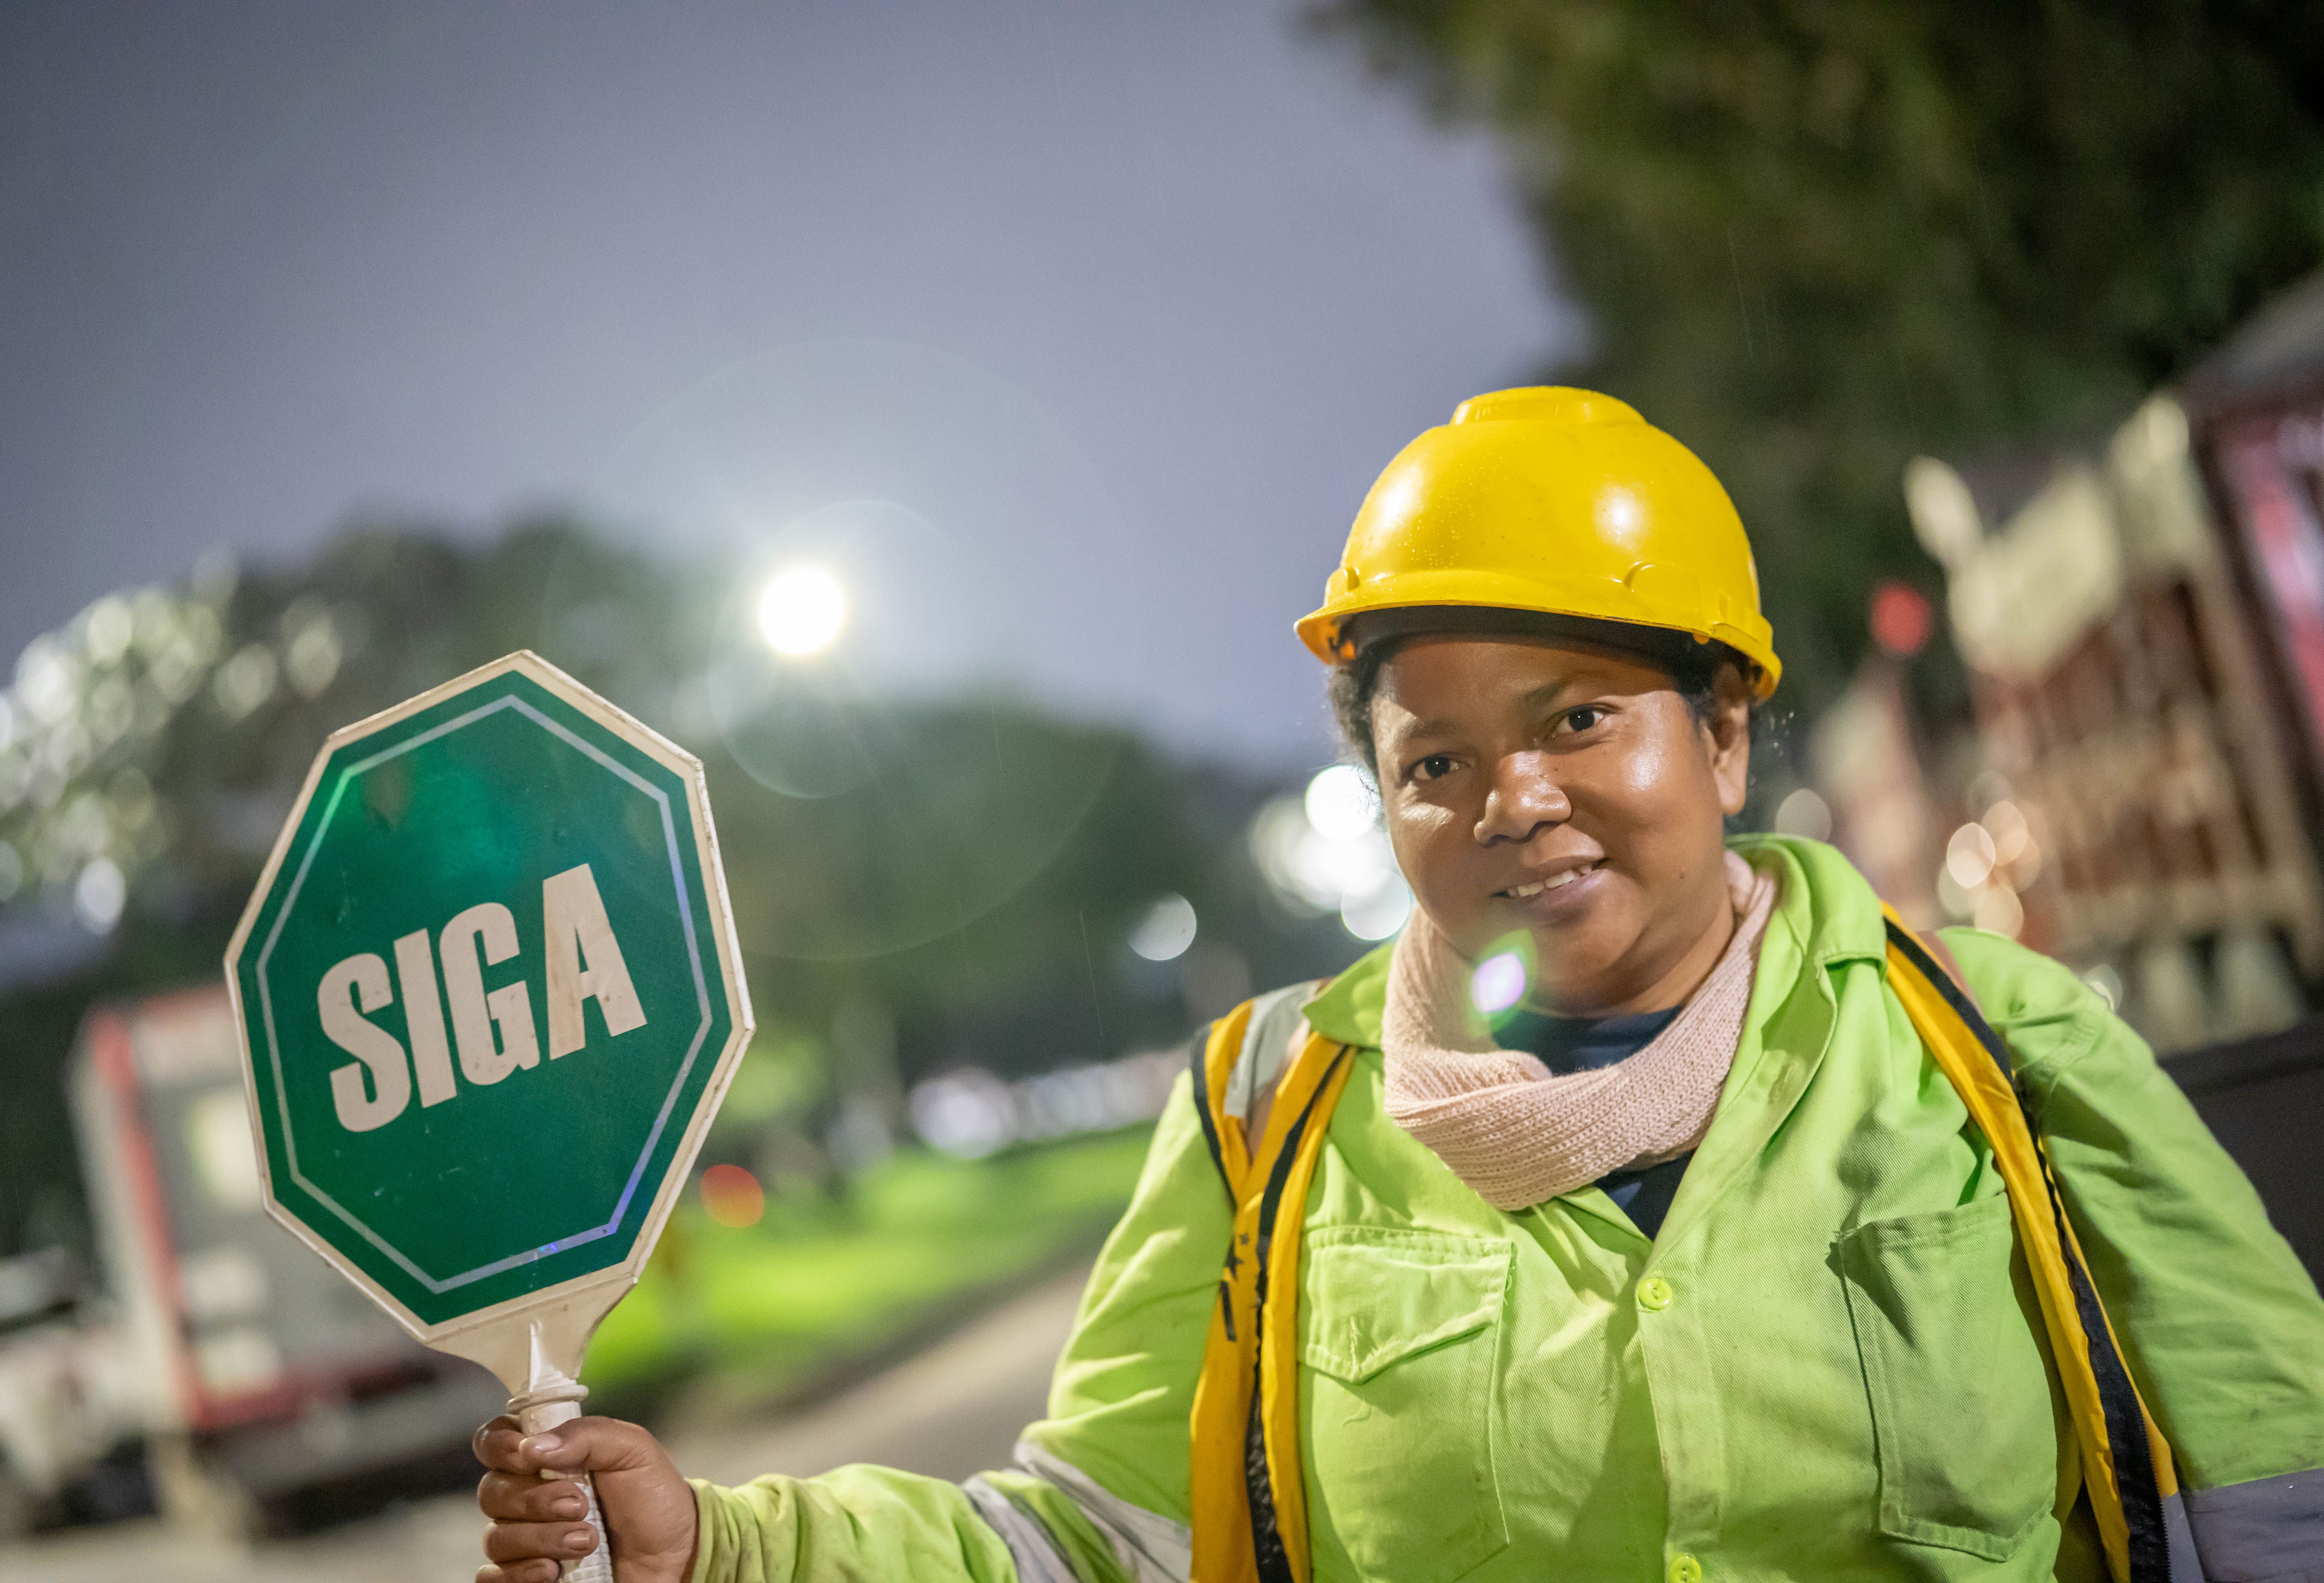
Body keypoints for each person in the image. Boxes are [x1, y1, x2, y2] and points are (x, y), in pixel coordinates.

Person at [472, 388, 2324, 1583]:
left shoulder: (1992, 1043)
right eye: (1434, 762)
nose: (1513, 799)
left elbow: (2272, 1493)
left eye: (1582, 720)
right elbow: (1093, 1538)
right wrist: (719, 1543)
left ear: (1729, 730)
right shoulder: (1269, 1113)